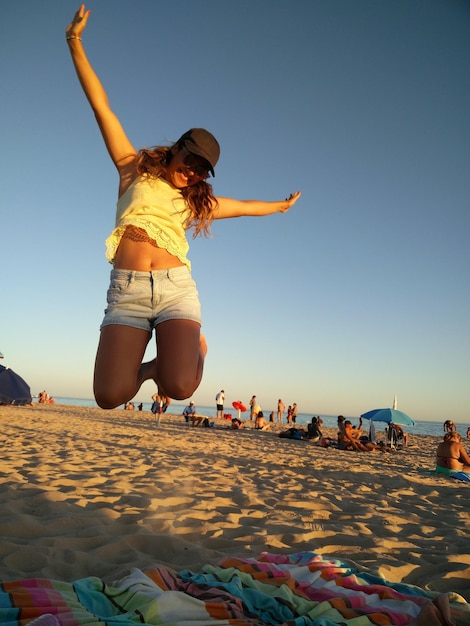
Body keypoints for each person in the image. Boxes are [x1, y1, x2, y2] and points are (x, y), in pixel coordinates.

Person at [65, 6, 301, 411]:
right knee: (109, 396)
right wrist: (75, 42)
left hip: (176, 289)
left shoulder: (195, 205)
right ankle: (147, 368)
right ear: (175, 149)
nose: (192, 171)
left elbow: (243, 206)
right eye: (189, 159)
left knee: (181, 386)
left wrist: (280, 207)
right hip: (128, 291)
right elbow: (102, 107)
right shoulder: (132, 170)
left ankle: (195, 349)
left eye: (202, 170)